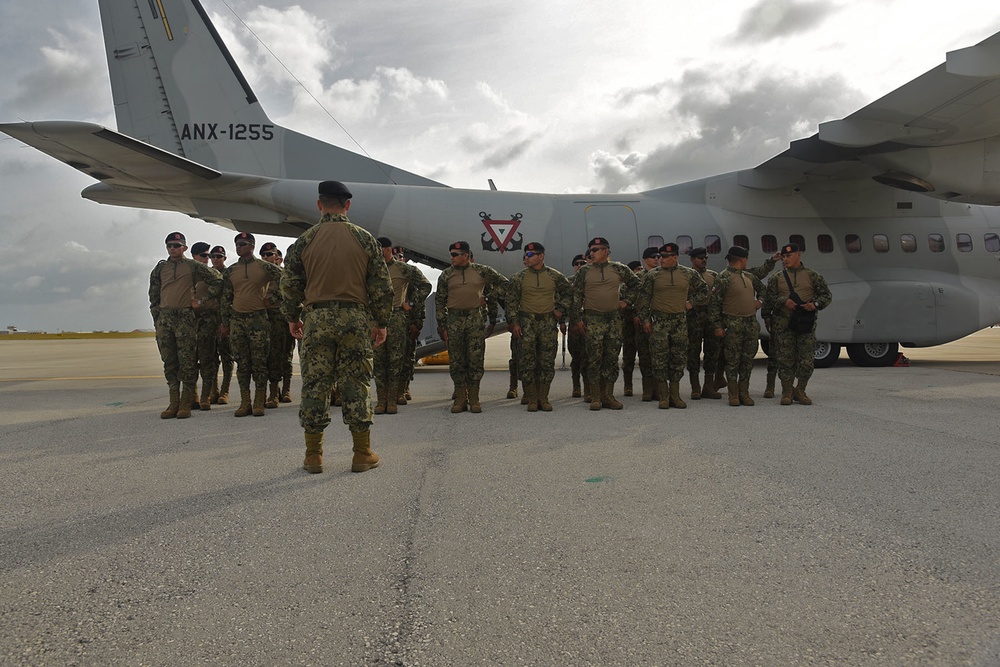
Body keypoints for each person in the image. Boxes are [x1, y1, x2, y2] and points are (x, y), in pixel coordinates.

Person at [281, 180, 393, 474]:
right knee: (355, 383)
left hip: (316, 320)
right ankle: (361, 453)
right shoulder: (365, 238)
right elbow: (382, 286)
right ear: (347, 205)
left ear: (319, 205)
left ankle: (313, 456)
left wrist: (293, 317)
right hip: (354, 319)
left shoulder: (304, 240)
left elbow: (290, 285)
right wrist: (381, 322)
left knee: (316, 384)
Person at [148, 232, 221, 419]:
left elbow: (218, 281)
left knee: (187, 361)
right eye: (169, 245)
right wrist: (157, 318)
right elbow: (153, 295)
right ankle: (174, 402)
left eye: (176, 245)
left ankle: (186, 404)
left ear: (184, 248)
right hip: (165, 318)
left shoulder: (192, 266)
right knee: (169, 361)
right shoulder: (160, 269)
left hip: (185, 318)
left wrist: (201, 300)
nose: (172, 248)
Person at [435, 241, 509, 413]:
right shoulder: (446, 275)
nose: (451, 257)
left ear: (466, 255)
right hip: (454, 320)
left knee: (475, 359)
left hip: (475, 320)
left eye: (455, 254)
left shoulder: (481, 271)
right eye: (451, 254)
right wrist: (441, 324)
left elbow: (505, 284)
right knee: (457, 361)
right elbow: (440, 301)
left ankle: (474, 399)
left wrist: (489, 298)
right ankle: (460, 398)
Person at [570, 237, 641, 410]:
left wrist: (627, 302)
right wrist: (577, 319)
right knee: (594, 359)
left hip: (614, 320)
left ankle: (608, 396)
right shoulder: (584, 272)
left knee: (611, 358)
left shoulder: (619, 269)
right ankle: (595, 397)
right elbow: (576, 297)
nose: (591, 253)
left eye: (595, 250)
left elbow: (637, 285)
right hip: (592, 320)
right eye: (591, 250)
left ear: (606, 251)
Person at [637, 242, 709, 409]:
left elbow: (703, 290)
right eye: (660, 256)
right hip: (659, 322)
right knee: (659, 358)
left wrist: (692, 303)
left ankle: (675, 396)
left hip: (679, 321)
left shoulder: (688, 273)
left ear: (675, 257)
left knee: (678, 357)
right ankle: (664, 396)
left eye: (665, 256)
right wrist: (646, 320)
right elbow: (643, 300)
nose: (661, 259)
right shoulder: (652, 275)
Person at [220, 231, 283, 417]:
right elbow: (226, 297)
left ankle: (259, 401)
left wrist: (273, 299)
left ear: (252, 246)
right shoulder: (231, 271)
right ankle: (245, 401)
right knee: (242, 363)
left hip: (258, 320)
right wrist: (225, 322)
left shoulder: (264, 267)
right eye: (237, 244)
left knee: (259, 363)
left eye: (244, 243)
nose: (239, 247)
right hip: (238, 320)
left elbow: (286, 281)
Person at [505, 242, 572, 411]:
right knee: (527, 361)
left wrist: (560, 309)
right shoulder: (518, 278)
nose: (526, 257)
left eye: (530, 254)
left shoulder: (554, 276)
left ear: (541, 256)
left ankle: (544, 397)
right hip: (527, 323)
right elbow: (511, 302)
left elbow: (569, 293)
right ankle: (532, 398)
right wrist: (514, 323)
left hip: (548, 323)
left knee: (546, 362)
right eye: (526, 254)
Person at [763, 243, 833, 405]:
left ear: (798, 255)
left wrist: (814, 305)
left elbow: (826, 296)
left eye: (788, 256)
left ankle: (800, 390)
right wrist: (782, 302)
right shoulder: (776, 277)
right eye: (783, 257)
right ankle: (787, 392)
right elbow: (769, 300)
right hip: (783, 325)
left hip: (805, 325)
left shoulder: (812, 275)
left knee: (806, 360)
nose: (785, 259)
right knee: (785, 360)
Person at [373, 236, 431, 415]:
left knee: (395, 360)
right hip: (375, 319)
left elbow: (425, 285)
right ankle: (381, 400)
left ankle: (392, 399)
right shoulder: (370, 269)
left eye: (379, 250)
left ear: (388, 250)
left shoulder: (403, 269)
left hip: (396, 318)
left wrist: (411, 304)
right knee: (378, 361)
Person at [710, 246, 765, 406]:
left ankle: (744, 393)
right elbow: (714, 305)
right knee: (732, 361)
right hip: (732, 324)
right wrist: (718, 326)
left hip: (750, 324)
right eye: (746, 259)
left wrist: (760, 302)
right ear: (742, 259)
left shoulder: (749, 276)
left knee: (747, 360)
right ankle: (733, 395)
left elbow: (764, 291)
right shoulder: (723, 277)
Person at [685, 247, 722, 400]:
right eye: (700, 258)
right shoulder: (686, 275)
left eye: (705, 257)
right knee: (693, 352)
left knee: (712, 351)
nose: (703, 260)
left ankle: (709, 386)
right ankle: (695, 387)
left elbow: (719, 297)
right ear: (692, 259)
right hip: (693, 316)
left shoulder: (713, 275)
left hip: (710, 316)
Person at [190, 241, 223, 410]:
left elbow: (220, 294)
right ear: (194, 256)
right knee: (190, 360)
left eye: (209, 256)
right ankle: (193, 396)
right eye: (204, 255)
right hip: (189, 322)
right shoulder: (187, 273)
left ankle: (206, 396)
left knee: (207, 359)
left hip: (208, 320)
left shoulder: (212, 274)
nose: (208, 259)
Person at [259, 242, 286, 409]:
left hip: (277, 317)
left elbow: (287, 291)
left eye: (270, 254)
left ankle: (275, 393)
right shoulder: (258, 274)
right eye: (264, 255)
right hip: (260, 316)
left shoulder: (282, 274)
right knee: (261, 355)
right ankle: (260, 393)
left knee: (277, 354)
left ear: (277, 256)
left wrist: (273, 299)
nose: (267, 257)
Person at [208, 245, 233, 404]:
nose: (215, 259)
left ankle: (225, 391)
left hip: (226, 320)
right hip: (210, 321)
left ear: (224, 258)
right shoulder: (207, 274)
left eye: (219, 256)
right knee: (211, 358)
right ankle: (213, 391)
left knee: (227, 357)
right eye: (213, 257)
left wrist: (227, 322)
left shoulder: (230, 274)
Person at [567, 254, 589, 399]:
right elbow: (561, 301)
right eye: (577, 263)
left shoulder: (592, 281)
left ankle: (588, 388)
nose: (580, 265)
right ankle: (576, 386)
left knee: (588, 356)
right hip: (574, 324)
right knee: (576, 357)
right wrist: (563, 321)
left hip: (590, 324)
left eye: (583, 263)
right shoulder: (568, 282)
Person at [621, 259, 643, 397]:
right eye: (637, 269)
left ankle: (649, 386)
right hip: (629, 325)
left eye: (641, 268)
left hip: (643, 324)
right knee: (628, 356)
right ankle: (628, 385)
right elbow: (623, 305)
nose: (639, 271)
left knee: (645, 355)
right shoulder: (624, 287)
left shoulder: (645, 285)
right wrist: (633, 315)